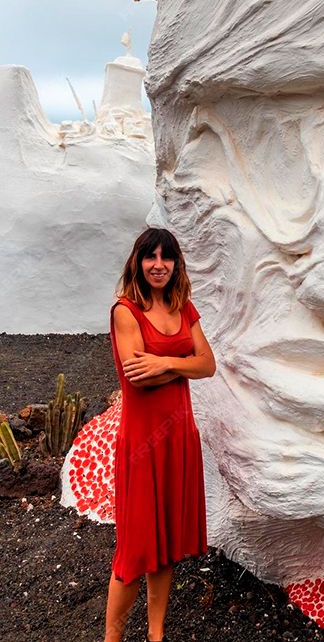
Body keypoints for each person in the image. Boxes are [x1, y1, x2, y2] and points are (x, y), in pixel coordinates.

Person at [104, 227, 216, 642]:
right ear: (138, 262)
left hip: (178, 439)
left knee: (165, 547)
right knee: (132, 555)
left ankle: (156, 635)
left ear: (175, 264)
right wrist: (182, 361)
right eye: (150, 257)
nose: (158, 265)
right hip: (142, 446)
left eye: (166, 257)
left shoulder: (183, 307)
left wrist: (165, 363)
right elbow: (138, 378)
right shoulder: (126, 311)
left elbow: (208, 364)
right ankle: (112, 638)